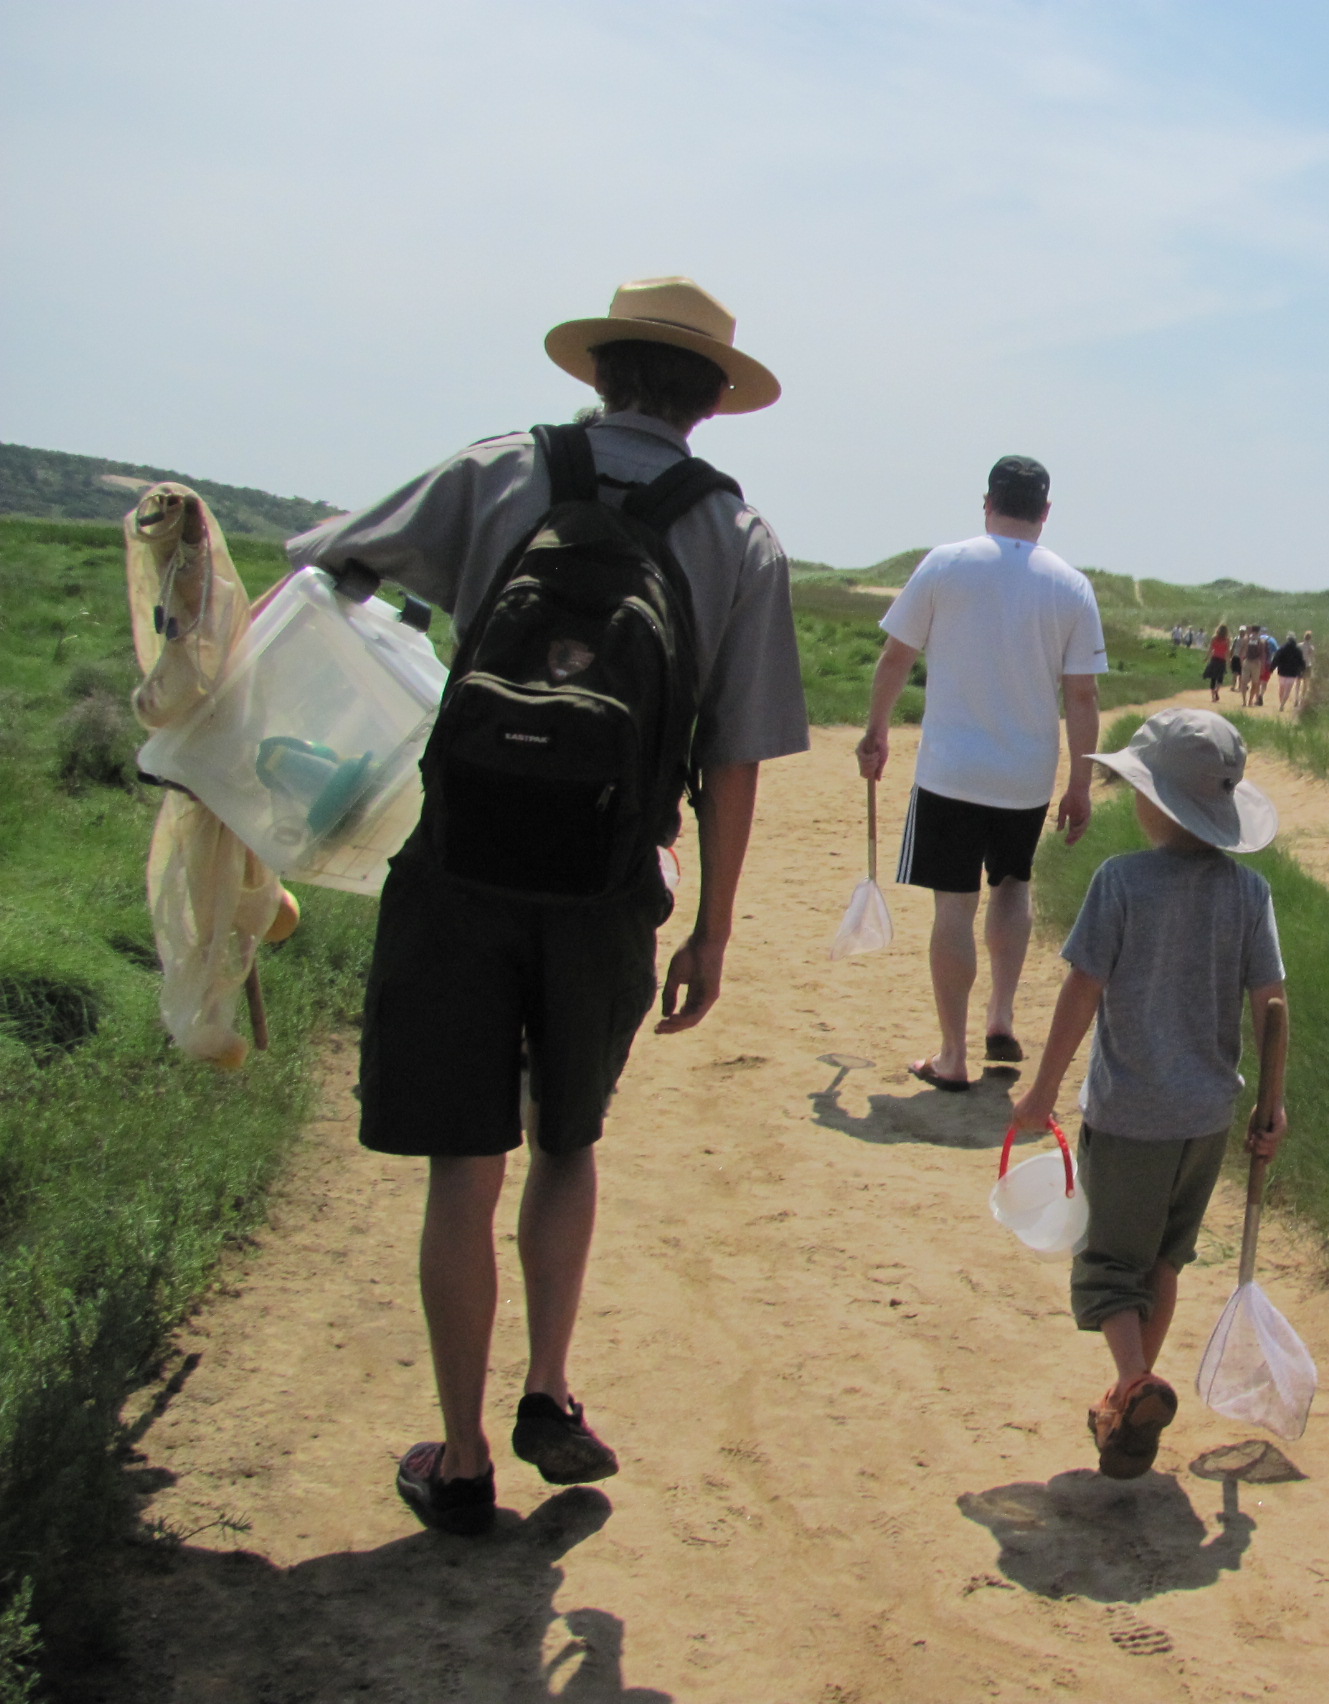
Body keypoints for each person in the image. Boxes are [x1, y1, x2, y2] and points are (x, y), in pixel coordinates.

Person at [286, 276, 809, 1536]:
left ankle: (460, 1454)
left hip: (459, 870)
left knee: (462, 1165)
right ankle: (549, 1394)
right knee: (567, 1143)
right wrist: (713, 930)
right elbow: (732, 757)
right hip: (607, 890)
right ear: (713, 406)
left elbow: (327, 561)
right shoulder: (739, 537)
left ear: (597, 374)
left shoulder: (496, 469)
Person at [1010, 708, 1288, 1478]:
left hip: (1131, 1115)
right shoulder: (1249, 891)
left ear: (1155, 801)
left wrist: (1041, 1089)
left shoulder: (1121, 882)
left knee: (1108, 1266)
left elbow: (1082, 991)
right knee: (1165, 1258)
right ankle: (1127, 1406)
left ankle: (1133, 1381)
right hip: (1206, 1118)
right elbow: (1272, 1005)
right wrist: (1273, 1104)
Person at [860, 456, 1105, 1089]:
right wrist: (1079, 783)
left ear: (988, 501)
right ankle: (1001, 1014)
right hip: (1025, 773)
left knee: (954, 909)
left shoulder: (945, 563)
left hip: (950, 772)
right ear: (1044, 512)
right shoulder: (1072, 586)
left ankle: (953, 1055)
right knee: (1013, 885)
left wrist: (876, 731)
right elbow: (1082, 697)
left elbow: (895, 656)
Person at [1271, 622, 1307, 710]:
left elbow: (1276, 658)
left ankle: (1281, 702)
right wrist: (1303, 670)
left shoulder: (1282, 648)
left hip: (1282, 672)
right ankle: (1282, 704)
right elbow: (1301, 661)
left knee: (1281, 688)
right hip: (1292, 673)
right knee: (1288, 690)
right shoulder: (1297, 650)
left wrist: (1272, 668)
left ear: (1287, 639)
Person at [1203, 624, 1231, 701]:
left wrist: (1206, 658)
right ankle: (1216, 691)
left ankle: (1213, 697)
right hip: (1222, 660)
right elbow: (1227, 652)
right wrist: (1229, 661)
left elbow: (1210, 649)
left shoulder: (1214, 638)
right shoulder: (1227, 640)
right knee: (1220, 678)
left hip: (1214, 659)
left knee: (1213, 678)